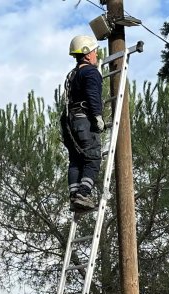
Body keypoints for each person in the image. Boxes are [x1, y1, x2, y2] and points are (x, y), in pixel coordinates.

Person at [60, 34, 104, 214]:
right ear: (86, 54)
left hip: (69, 123)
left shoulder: (72, 74)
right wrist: (98, 117)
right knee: (92, 158)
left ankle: (74, 196)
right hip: (83, 121)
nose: (96, 55)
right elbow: (93, 96)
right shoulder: (91, 72)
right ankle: (83, 195)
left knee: (76, 160)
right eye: (94, 51)